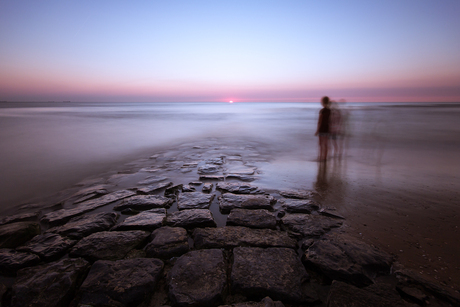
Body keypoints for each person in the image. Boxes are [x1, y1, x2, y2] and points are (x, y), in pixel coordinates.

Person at [315, 96, 331, 162]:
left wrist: (317, 130)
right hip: (327, 128)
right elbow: (330, 120)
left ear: (323, 102)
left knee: (321, 144)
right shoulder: (329, 111)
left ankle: (320, 157)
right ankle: (325, 158)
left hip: (322, 129)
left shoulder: (322, 111)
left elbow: (319, 121)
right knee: (325, 144)